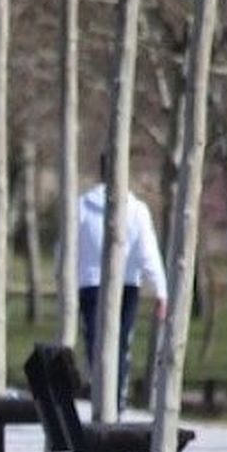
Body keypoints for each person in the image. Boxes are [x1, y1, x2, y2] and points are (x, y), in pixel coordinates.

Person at [76, 153, 168, 410]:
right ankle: (115, 399)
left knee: (95, 341)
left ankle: (102, 396)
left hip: (90, 284)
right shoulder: (136, 209)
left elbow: (68, 249)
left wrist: (68, 281)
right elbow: (147, 253)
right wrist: (160, 290)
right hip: (126, 284)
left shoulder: (82, 206)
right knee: (120, 342)